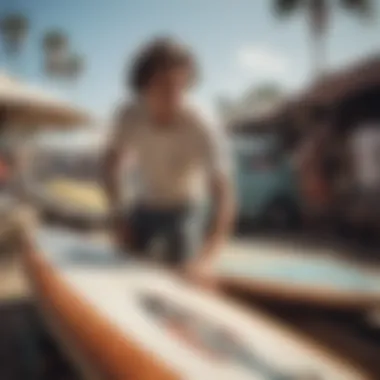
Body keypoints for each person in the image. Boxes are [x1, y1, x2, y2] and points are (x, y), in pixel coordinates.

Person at [103, 37, 235, 280]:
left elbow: (224, 193)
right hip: (144, 205)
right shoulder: (128, 116)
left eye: (181, 85)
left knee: (185, 274)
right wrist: (118, 217)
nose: (174, 94)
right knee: (123, 265)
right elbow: (109, 164)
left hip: (185, 209)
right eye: (164, 85)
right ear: (144, 87)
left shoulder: (202, 124)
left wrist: (206, 260)